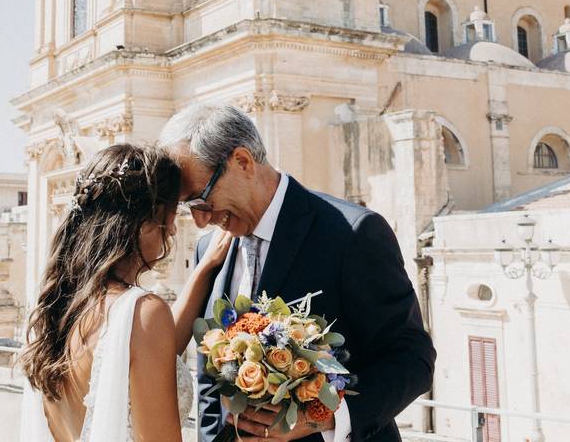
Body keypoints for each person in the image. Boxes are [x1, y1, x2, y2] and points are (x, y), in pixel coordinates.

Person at [159, 104, 435, 442]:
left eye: (202, 200)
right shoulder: (209, 251)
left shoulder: (351, 234)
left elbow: (413, 359)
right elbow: (209, 380)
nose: (201, 221)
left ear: (243, 162)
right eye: (190, 208)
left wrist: (324, 417)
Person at [20, 143, 232, 442]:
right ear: (145, 223)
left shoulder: (60, 307)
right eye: (171, 214)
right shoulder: (142, 311)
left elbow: (142, 352)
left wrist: (204, 269)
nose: (173, 230)